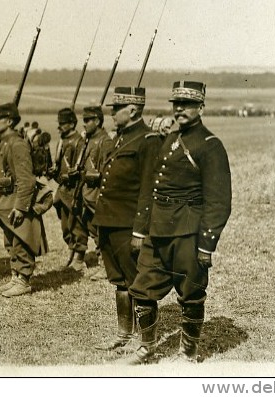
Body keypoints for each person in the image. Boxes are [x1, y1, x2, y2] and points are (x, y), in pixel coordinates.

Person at [128, 81, 232, 364]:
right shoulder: (168, 140)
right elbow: (152, 186)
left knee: (191, 293)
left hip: (188, 231)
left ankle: (188, 353)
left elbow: (219, 201)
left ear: (201, 107)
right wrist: (142, 228)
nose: (180, 109)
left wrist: (207, 244)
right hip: (159, 229)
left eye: (187, 104)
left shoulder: (210, 145)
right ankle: (146, 347)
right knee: (142, 288)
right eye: (176, 104)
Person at [92, 87, 162, 351]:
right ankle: (124, 334)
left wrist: (139, 232)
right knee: (120, 280)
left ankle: (146, 341)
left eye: (116, 108)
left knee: (138, 283)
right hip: (109, 222)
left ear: (132, 111)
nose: (111, 113)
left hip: (128, 224)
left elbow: (147, 190)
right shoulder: (120, 139)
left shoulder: (147, 140)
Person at [0, 102, 47, 297]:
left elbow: (27, 179)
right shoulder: (2, 142)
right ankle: (15, 276)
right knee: (11, 242)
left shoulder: (17, 143)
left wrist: (20, 207)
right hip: (5, 201)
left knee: (22, 241)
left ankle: (24, 280)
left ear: (9, 121)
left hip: (16, 201)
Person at [75, 105, 115, 277]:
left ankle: (107, 266)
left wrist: (90, 176)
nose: (84, 124)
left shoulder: (104, 141)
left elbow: (107, 171)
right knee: (92, 229)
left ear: (97, 121)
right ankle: (102, 261)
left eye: (87, 120)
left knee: (102, 230)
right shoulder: (89, 140)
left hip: (97, 193)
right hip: (87, 193)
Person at [49, 108, 86, 270]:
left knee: (76, 222)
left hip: (75, 189)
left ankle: (79, 257)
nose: (59, 127)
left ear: (72, 124)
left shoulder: (80, 142)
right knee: (65, 225)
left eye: (63, 124)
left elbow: (83, 169)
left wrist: (71, 176)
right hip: (63, 190)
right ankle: (72, 251)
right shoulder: (61, 142)